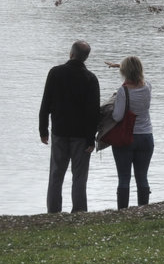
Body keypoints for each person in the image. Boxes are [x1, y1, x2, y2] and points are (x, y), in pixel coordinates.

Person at [39, 40, 101, 213]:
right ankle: (79, 212)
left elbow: (46, 103)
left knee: (56, 174)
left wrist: (43, 129)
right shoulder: (91, 79)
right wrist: (91, 139)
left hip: (59, 131)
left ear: (71, 54)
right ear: (86, 58)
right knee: (80, 177)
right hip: (82, 136)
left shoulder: (55, 73)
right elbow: (93, 112)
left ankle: (53, 211)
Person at [104, 56, 154, 209]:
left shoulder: (123, 91)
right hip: (146, 137)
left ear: (125, 72)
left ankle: (123, 211)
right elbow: (138, 73)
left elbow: (118, 116)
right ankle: (143, 208)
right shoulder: (148, 87)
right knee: (142, 177)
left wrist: (110, 109)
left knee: (124, 178)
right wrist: (119, 65)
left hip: (126, 138)